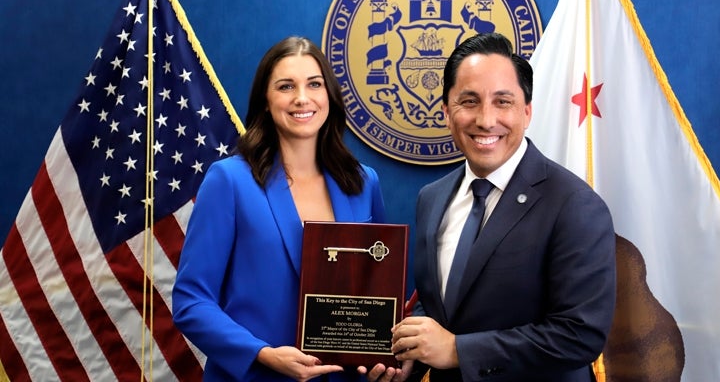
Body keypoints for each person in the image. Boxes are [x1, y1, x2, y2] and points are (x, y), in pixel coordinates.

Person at [389, 33, 617, 381]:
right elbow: (440, 305)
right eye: (469, 101)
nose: (485, 119)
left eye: (502, 102)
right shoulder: (431, 198)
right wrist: (412, 353)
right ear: (447, 113)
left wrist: (456, 351)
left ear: (526, 112)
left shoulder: (575, 205)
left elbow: (579, 335)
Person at [172, 36, 393, 381]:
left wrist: (381, 361)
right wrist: (262, 354)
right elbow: (191, 301)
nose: (302, 98)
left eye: (314, 84)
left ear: (329, 97)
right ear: (265, 101)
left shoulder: (364, 183)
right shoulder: (229, 181)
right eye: (286, 86)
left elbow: (378, 293)